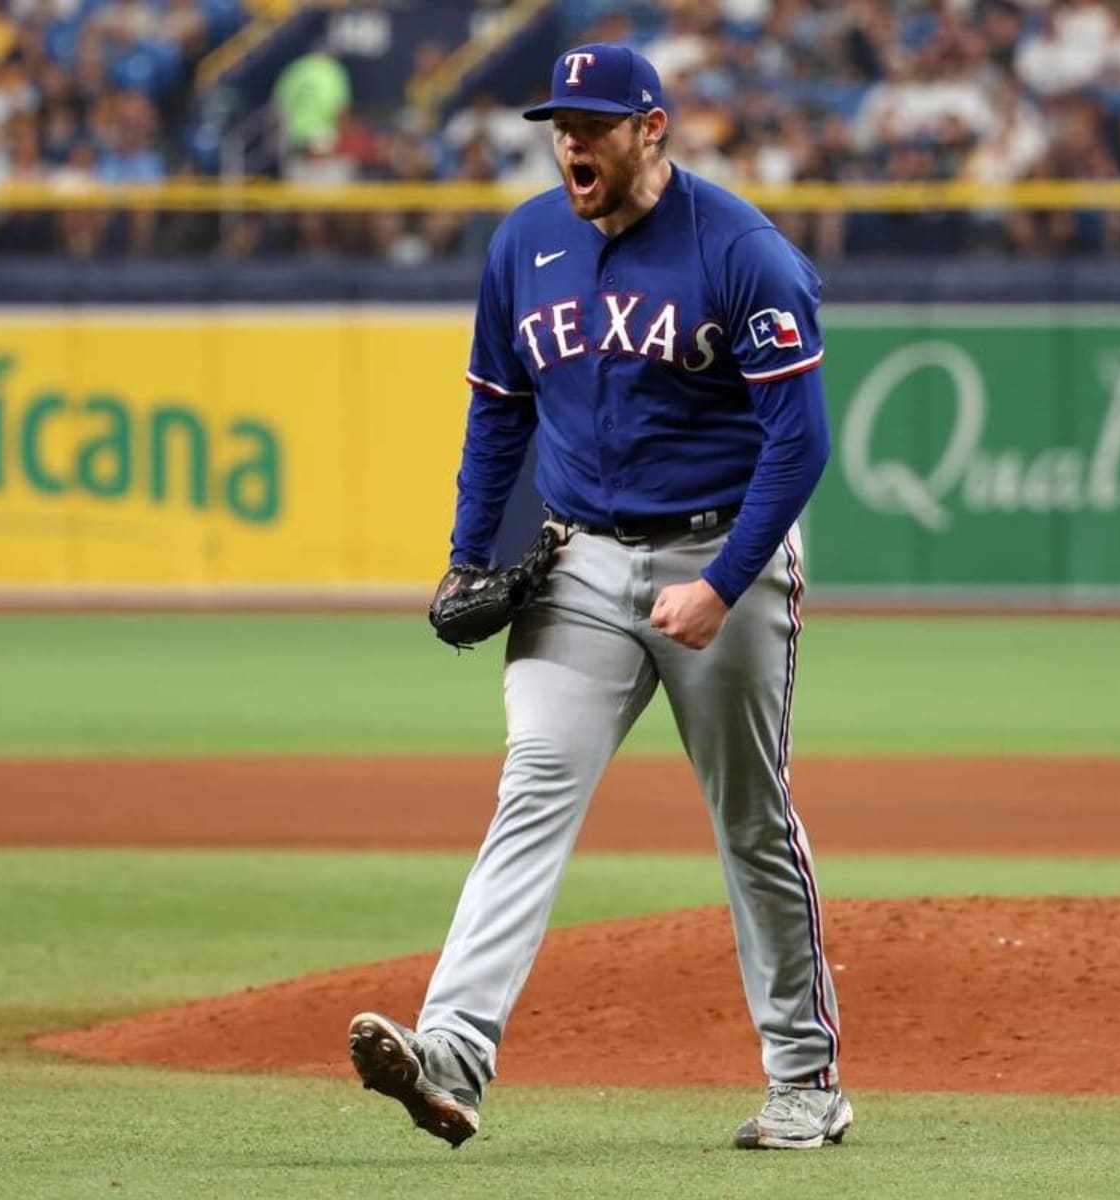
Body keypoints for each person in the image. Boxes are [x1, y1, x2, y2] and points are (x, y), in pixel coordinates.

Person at [347, 44, 848, 1151]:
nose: (571, 142)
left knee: (750, 815)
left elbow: (798, 443)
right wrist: (467, 554)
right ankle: (452, 1051)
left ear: (651, 127)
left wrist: (721, 585)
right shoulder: (523, 243)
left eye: (594, 123)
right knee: (530, 789)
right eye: (558, 124)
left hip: (724, 551)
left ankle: (805, 1078)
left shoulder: (742, 251)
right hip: (573, 560)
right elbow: (497, 416)